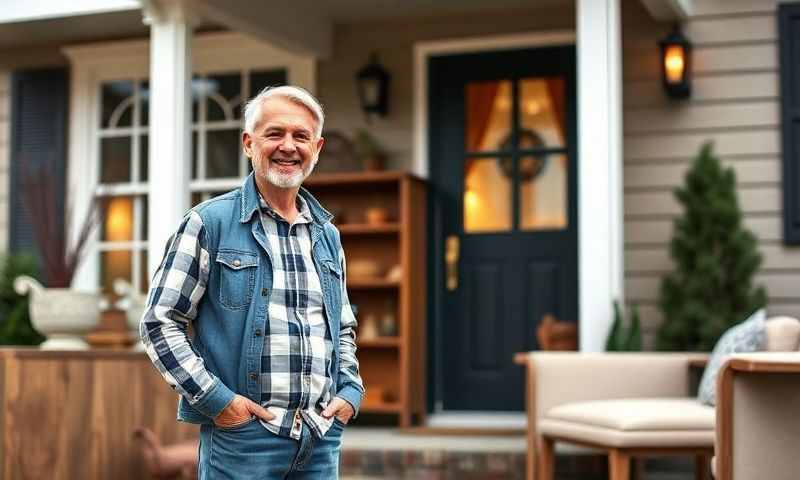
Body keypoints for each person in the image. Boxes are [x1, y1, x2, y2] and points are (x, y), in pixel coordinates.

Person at [140, 85, 364, 479]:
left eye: (301, 136)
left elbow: (341, 326)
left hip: (319, 437)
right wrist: (218, 402)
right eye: (274, 133)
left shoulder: (327, 234)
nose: (288, 146)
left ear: (318, 147)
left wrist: (349, 392)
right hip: (243, 441)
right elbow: (160, 321)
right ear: (248, 143)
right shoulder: (209, 223)